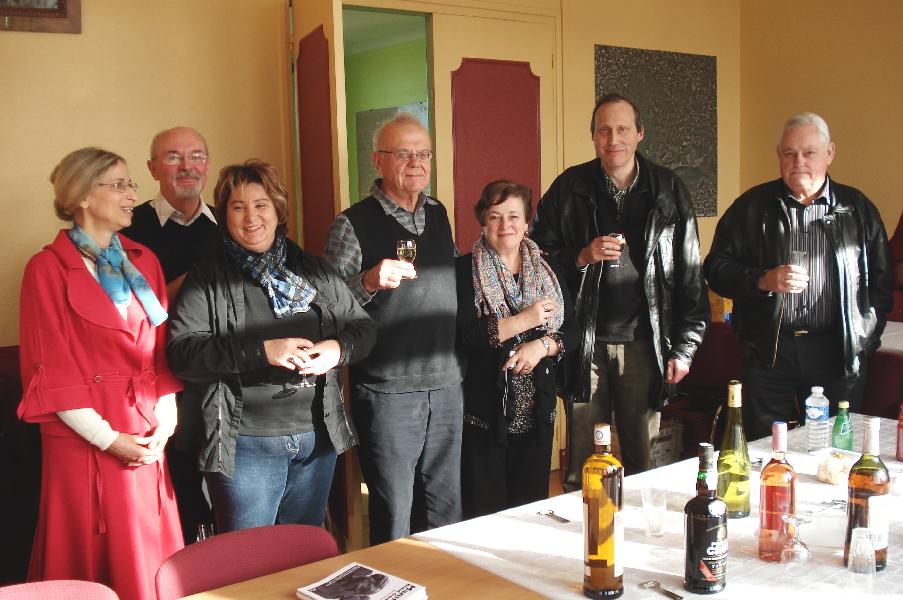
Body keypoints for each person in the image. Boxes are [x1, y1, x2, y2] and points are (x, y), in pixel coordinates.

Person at [167, 160, 375, 533]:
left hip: (315, 440)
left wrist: (336, 349)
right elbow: (183, 354)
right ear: (224, 215)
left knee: (303, 554)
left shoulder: (314, 270)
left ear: (278, 210)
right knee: (247, 564)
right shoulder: (206, 279)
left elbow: (363, 328)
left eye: (261, 205)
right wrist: (263, 350)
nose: (251, 218)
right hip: (245, 445)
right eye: (238, 207)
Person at [18, 147, 183, 600]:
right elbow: (51, 370)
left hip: (147, 434)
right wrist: (109, 439)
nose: (133, 194)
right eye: (120, 185)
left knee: (150, 553)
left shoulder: (143, 260)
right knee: (89, 560)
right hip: (85, 440)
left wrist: (165, 425)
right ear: (82, 196)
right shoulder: (46, 269)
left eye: (132, 184)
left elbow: (158, 353)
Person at [532, 93, 709, 487]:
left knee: (643, 462)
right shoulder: (569, 187)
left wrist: (685, 346)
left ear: (640, 133)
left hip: (646, 343)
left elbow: (690, 272)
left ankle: (640, 545)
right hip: (583, 343)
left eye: (623, 129)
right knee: (582, 464)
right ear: (593, 137)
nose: (614, 138)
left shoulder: (668, 190)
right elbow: (537, 257)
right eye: (604, 130)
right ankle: (582, 539)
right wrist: (582, 255)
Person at [704, 112, 894, 440]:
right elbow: (716, 269)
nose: (799, 162)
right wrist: (762, 280)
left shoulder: (857, 210)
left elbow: (881, 284)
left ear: (830, 153)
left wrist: (864, 340)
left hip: (836, 349)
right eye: (789, 153)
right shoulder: (752, 207)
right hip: (769, 350)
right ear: (779, 155)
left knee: (835, 448)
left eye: (809, 153)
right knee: (765, 448)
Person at [323, 112, 463, 544]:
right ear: (377, 161)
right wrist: (366, 281)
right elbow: (325, 306)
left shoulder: (438, 213)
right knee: (394, 513)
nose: (416, 162)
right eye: (404, 154)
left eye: (423, 153)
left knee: (445, 508)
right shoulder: (352, 224)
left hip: (446, 384)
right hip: (388, 390)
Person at [120, 126, 221, 543]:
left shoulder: (230, 221)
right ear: (152, 168)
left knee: (225, 486)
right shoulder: (129, 227)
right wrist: (195, 280)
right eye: (174, 157)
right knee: (177, 488)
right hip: (160, 381)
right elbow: (127, 310)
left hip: (224, 373)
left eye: (196, 156)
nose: (187, 167)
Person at [456, 180, 575, 518]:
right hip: (484, 417)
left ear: (526, 224)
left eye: (513, 216)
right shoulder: (465, 271)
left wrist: (543, 346)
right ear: (483, 222)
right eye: (495, 216)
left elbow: (574, 330)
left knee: (530, 513)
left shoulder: (548, 271)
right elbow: (467, 336)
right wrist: (526, 320)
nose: (504, 225)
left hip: (537, 415)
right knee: (484, 516)